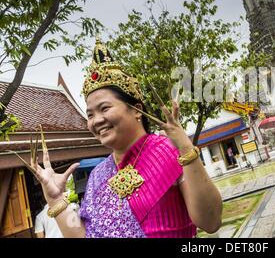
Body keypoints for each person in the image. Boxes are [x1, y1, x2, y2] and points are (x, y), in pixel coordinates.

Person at [22, 39, 222, 238]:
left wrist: (187, 150)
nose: (96, 120)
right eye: (90, 114)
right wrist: (56, 199)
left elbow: (210, 222)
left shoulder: (169, 150)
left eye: (105, 108)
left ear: (137, 110)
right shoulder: (97, 176)